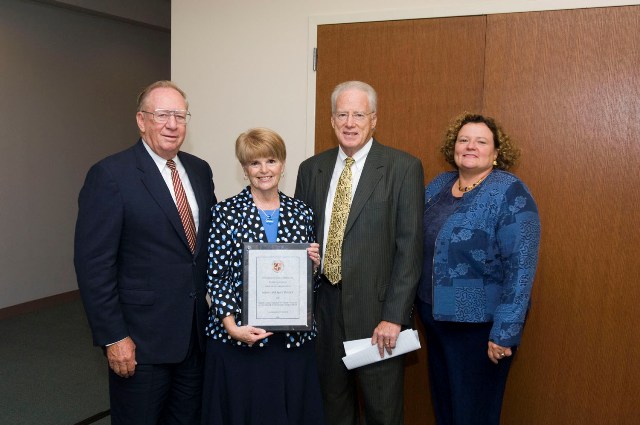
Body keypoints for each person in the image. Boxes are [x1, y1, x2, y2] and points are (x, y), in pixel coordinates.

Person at [74, 80, 216, 424]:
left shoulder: (199, 170)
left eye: (180, 116)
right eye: (162, 114)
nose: (172, 124)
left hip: (194, 337)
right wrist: (114, 337)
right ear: (141, 120)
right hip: (141, 341)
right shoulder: (110, 175)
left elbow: (208, 246)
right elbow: (93, 265)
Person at [295, 81, 424, 425]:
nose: (350, 122)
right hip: (324, 311)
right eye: (342, 114)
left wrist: (394, 316)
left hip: (377, 316)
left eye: (358, 114)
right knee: (332, 409)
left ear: (374, 119)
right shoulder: (311, 169)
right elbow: (301, 238)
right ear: (332, 120)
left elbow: (410, 249)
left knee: (382, 412)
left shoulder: (403, 168)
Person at [416, 112, 541, 425]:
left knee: (473, 414)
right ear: (453, 147)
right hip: (435, 319)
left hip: (479, 329)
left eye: (481, 141)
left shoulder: (510, 193)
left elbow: (521, 268)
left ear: (497, 153)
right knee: (445, 407)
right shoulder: (439, 185)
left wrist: (505, 332)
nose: (470, 146)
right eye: (463, 139)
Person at [202, 127, 325, 425]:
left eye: (271, 160)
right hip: (239, 338)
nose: (263, 170)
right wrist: (232, 327)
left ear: (282, 164)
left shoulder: (302, 213)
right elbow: (216, 276)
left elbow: (310, 286)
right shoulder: (224, 212)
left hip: (291, 341)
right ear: (244, 169)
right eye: (254, 163)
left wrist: (313, 267)